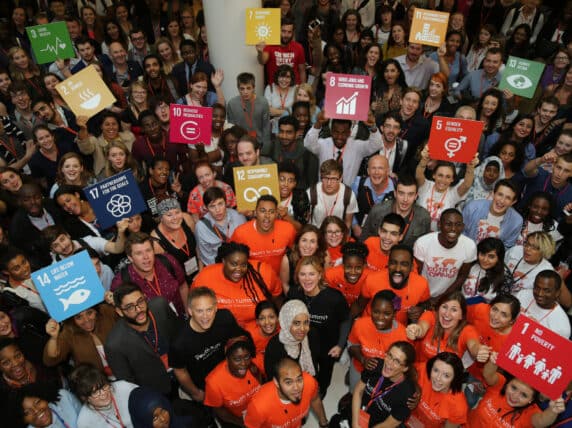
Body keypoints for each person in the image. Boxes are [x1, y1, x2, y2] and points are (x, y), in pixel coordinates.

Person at [169, 286, 245, 403]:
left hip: (229, 373)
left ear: (215, 308)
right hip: (205, 386)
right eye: (199, 311)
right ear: (190, 311)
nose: (205, 316)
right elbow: (180, 371)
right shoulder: (179, 343)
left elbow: (237, 341)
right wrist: (195, 393)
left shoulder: (225, 318)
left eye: (209, 309)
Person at [288, 256, 350, 398]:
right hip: (303, 346)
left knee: (324, 375)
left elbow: (346, 321)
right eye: (302, 274)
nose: (307, 279)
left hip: (328, 348)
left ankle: (320, 392)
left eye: (312, 274)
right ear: (297, 276)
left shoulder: (334, 298)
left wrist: (340, 345)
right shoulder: (294, 294)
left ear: (320, 275)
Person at [105, 283, 182, 396]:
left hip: (184, 376)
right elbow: (129, 385)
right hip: (158, 394)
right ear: (119, 311)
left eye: (141, 301)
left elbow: (180, 338)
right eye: (130, 307)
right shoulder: (114, 344)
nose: (139, 309)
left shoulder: (160, 307)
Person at [192, 242, 282, 330]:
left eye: (243, 265)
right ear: (223, 261)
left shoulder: (263, 273)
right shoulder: (205, 277)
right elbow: (194, 307)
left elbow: (277, 298)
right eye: (233, 264)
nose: (239, 269)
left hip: (260, 331)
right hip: (220, 331)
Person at [468, 352, 566, 427]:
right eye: (513, 387)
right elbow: (488, 374)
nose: (514, 396)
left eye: (524, 395)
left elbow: (541, 421)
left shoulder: (531, 413)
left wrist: (553, 410)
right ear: (508, 383)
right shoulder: (499, 385)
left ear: (531, 400)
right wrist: (493, 362)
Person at [111, 232, 189, 316]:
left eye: (148, 250)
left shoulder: (168, 261)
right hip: (153, 328)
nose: (146, 257)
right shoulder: (121, 281)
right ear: (130, 258)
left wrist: (188, 314)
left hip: (180, 318)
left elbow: (182, 286)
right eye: (139, 253)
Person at [465, 294, 521, 407]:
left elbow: (503, 373)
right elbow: (461, 316)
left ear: (512, 321)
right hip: (465, 357)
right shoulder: (480, 310)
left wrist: (484, 384)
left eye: (504, 315)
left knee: (468, 401)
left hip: (483, 376)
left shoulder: (515, 343)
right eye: (495, 309)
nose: (495, 317)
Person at [348, 289, 409, 391]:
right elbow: (351, 346)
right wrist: (363, 359)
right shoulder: (360, 324)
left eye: (387, 313)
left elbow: (405, 366)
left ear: (394, 314)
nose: (380, 318)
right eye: (376, 312)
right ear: (371, 310)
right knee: (354, 395)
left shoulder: (403, 335)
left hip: (386, 377)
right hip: (359, 370)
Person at [357, 244, 431, 325]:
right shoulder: (372, 280)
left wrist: (421, 310)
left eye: (404, 264)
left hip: (397, 332)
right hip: (369, 326)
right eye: (393, 263)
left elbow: (426, 304)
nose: (398, 269)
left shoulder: (421, 284)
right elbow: (359, 305)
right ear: (388, 264)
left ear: (411, 267)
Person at [406, 291, 489, 363]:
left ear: (461, 315)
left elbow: (474, 345)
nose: (447, 314)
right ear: (438, 309)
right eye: (444, 307)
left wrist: (479, 351)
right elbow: (421, 328)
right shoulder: (430, 315)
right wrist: (416, 330)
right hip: (420, 373)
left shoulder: (467, 330)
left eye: (454, 310)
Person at [244, 357, 328, 428]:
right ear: (276, 382)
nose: (296, 388)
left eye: (299, 379)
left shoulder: (309, 382)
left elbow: (315, 400)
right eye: (288, 382)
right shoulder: (259, 406)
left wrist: (324, 424)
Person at [303, 112, 382, 185]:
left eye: (343, 133)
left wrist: (372, 127)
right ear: (331, 131)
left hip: (347, 195)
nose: (339, 137)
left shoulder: (357, 147)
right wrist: (318, 123)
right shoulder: (323, 144)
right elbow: (308, 144)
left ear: (349, 133)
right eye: (336, 132)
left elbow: (376, 145)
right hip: (324, 193)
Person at [351, 341, 418, 427]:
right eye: (390, 355)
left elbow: (388, 425)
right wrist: (355, 423)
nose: (389, 363)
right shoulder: (375, 364)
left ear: (405, 368)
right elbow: (358, 391)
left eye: (397, 361)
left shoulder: (407, 394)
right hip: (357, 413)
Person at [414, 209, 477, 298]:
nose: (453, 229)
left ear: (463, 227)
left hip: (448, 296)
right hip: (422, 294)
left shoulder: (469, 245)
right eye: (448, 224)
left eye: (458, 225)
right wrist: (423, 298)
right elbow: (416, 274)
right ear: (439, 224)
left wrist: (441, 298)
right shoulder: (423, 243)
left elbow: (462, 276)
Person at [204, 335, 263, 426]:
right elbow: (219, 410)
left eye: (247, 357)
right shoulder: (214, 382)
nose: (243, 363)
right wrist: (241, 423)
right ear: (227, 359)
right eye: (237, 359)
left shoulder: (257, 363)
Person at [43, 304, 117, 375]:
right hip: (97, 383)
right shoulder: (68, 332)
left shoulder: (107, 311)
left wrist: (116, 302)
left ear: (96, 311)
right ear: (72, 319)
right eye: (79, 317)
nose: (86, 320)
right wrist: (53, 338)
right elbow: (50, 360)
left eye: (89, 313)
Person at [416, 148, 479, 232]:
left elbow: (467, 184)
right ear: (434, 175)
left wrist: (470, 167)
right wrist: (424, 159)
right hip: (417, 233)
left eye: (448, 177)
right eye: (440, 175)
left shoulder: (452, 193)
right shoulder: (426, 186)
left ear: (452, 179)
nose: (443, 180)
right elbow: (419, 174)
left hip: (439, 238)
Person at [231, 195, 296, 275]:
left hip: (279, 280)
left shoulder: (288, 229)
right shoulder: (240, 233)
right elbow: (231, 259)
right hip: (252, 281)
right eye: (262, 211)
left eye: (271, 212)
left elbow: (295, 251)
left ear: (276, 214)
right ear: (255, 212)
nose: (267, 216)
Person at [361, 175, 431, 246]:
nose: (405, 199)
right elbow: (364, 239)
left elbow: (425, 246)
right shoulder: (378, 211)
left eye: (410, 194)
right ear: (395, 193)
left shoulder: (423, 217)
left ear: (416, 196)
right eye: (401, 193)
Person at [406, 352, 468, 427]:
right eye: (436, 370)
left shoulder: (458, 406)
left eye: (446, 375)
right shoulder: (423, 370)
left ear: (455, 379)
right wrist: (416, 386)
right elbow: (407, 369)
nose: (438, 378)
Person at [69, 363, 136, 428]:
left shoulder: (125, 388)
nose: (103, 394)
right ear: (85, 398)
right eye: (95, 393)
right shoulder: (85, 421)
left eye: (104, 386)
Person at [261, 116, 319, 190]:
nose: (284, 136)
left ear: (297, 134)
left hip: (298, 197)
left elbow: (312, 187)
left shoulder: (308, 156)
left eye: (289, 132)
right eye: (281, 131)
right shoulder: (270, 149)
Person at [462, 179, 523, 248]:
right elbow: (461, 232)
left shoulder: (516, 221)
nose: (502, 201)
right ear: (493, 194)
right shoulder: (472, 207)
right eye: (500, 194)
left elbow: (507, 247)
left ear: (513, 202)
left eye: (508, 198)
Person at [194, 186, 246, 266]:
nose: (217, 210)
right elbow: (208, 258)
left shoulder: (239, 217)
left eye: (220, 204)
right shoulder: (201, 227)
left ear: (226, 202)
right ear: (206, 207)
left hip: (241, 262)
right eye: (212, 206)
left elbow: (247, 244)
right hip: (218, 266)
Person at [150, 198, 199, 282]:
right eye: (169, 215)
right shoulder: (156, 241)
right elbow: (164, 273)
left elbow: (198, 245)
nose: (175, 218)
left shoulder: (186, 219)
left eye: (177, 212)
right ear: (161, 218)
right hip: (179, 282)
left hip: (199, 270)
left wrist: (200, 271)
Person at [518, 270, 571, 338]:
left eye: (547, 291)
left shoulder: (562, 326)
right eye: (537, 288)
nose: (540, 294)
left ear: (557, 293)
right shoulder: (522, 294)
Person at [351, 155, 394, 239]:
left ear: (388, 171)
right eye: (373, 168)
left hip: (385, 238)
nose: (376, 172)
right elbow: (348, 207)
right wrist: (354, 225)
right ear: (368, 171)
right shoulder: (357, 183)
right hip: (359, 235)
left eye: (380, 168)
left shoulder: (396, 188)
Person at [307, 160, 358, 229]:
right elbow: (306, 221)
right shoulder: (311, 193)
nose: (329, 183)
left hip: (337, 236)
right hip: (316, 234)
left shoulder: (348, 195)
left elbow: (348, 222)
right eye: (325, 178)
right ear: (321, 177)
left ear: (340, 179)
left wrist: (343, 238)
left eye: (333, 179)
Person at [520, 153, 572, 221]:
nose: (560, 174)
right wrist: (541, 160)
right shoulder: (540, 174)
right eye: (558, 167)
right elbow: (526, 170)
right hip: (520, 217)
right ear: (553, 166)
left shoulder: (570, 193)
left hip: (547, 228)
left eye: (566, 171)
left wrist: (568, 214)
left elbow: (565, 220)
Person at [505, 231, 555, 299]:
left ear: (543, 251)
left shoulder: (546, 270)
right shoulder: (515, 250)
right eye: (527, 244)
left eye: (534, 247)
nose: (527, 249)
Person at [256, 16, 306, 84]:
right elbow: (262, 61)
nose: (286, 35)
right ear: (278, 30)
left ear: (293, 33)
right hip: (275, 88)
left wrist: (303, 88)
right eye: (283, 31)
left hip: (294, 88)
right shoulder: (270, 45)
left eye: (289, 32)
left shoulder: (298, 47)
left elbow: (302, 71)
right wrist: (260, 52)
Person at [226, 72, 271, 148]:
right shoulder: (232, 104)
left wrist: (266, 147)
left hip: (258, 143)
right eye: (242, 89)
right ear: (238, 89)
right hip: (240, 143)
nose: (245, 92)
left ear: (253, 88)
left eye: (248, 88)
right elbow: (231, 128)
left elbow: (266, 127)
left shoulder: (263, 102)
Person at [280, 223, 327, 294]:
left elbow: (324, 282)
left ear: (317, 245)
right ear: (298, 242)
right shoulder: (287, 259)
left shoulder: (324, 257)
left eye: (312, 241)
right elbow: (285, 284)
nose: (307, 245)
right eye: (304, 240)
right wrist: (292, 300)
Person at [462, 237, 511, 303]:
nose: (485, 260)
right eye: (482, 254)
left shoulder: (505, 276)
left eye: (491, 257)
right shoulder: (470, 264)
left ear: (499, 258)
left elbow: (502, 303)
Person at [325, 241, 373, 308]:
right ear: (343, 265)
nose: (353, 272)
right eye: (349, 267)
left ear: (364, 266)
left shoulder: (371, 278)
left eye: (358, 268)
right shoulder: (330, 275)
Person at [12, 382, 81, 428]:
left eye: (37, 402)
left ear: (45, 399)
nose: (36, 411)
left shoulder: (63, 397)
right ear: (23, 420)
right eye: (27, 412)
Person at [246, 301, 279, 378]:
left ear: (277, 318)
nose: (267, 322)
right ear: (257, 322)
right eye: (262, 318)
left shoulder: (283, 330)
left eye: (271, 317)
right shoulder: (250, 336)